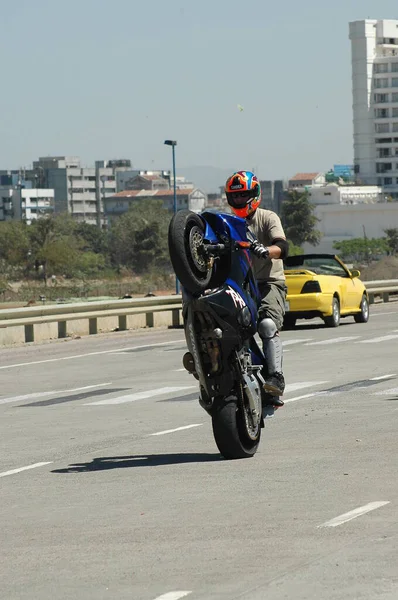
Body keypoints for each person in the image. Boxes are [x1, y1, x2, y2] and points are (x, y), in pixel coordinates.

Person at [225, 170, 289, 407]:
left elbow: (282, 246)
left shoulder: (267, 217)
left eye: (244, 195)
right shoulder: (228, 223)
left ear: (255, 194)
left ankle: (276, 377)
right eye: (236, 196)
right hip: (240, 285)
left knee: (266, 324)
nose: (240, 200)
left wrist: (266, 250)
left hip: (269, 283)